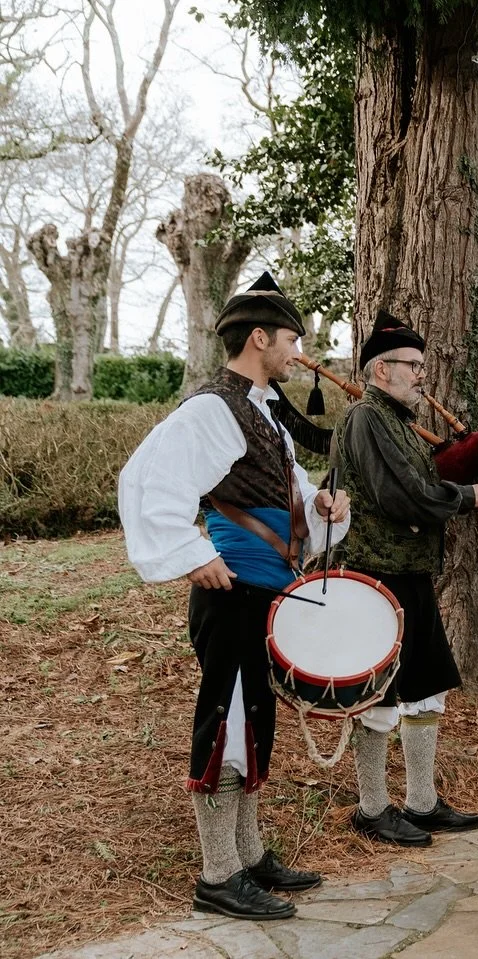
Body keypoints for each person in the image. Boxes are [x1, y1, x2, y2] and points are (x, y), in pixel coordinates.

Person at [118, 272, 351, 920]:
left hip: (266, 591)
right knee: (228, 724)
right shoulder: (211, 407)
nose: (297, 350)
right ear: (259, 337)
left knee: (256, 720)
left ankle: (248, 854)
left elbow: (290, 496)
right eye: (291, 339)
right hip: (232, 592)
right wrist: (195, 555)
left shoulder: (264, 411)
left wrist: (323, 507)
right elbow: (151, 480)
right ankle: (218, 874)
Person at [332, 310, 478, 847]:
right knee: (380, 692)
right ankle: (371, 808)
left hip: (408, 568)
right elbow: (403, 495)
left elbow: (424, 477)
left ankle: (420, 800)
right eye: (411, 365)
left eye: (421, 365)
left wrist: (474, 470)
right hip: (376, 573)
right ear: (377, 371)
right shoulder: (366, 419)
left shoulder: (394, 421)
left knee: (425, 683)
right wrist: (470, 497)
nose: (421, 375)